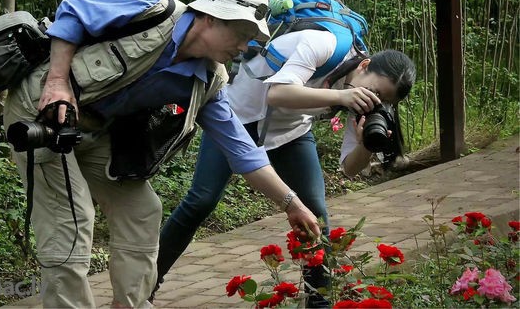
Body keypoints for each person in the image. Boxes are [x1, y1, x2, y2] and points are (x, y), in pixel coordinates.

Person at [3, 0, 321, 308]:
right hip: (39, 112)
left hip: (91, 130)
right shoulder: (149, 8)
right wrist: (57, 81)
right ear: (212, 17)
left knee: (142, 211)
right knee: (72, 219)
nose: (244, 47)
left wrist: (293, 205)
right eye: (242, 34)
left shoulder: (208, 82)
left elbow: (243, 152)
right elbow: (73, 11)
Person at [156, 27, 416, 307]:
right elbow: (278, 94)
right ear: (365, 65)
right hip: (234, 120)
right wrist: (341, 97)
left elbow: (349, 169)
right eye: (373, 90)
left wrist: (366, 144)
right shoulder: (323, 44)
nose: (372, 98)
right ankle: (147, 280)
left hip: (290, 133)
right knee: (201, 200)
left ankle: (319, 304)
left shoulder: (362, 97)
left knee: (316, 212)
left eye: (382, 99)